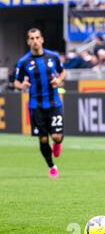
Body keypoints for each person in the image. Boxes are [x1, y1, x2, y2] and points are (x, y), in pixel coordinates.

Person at [14, 28, 66, 178]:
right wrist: (21, 86)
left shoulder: (53, 57)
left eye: (37, 37)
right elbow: (16, 82)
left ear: (42, 39)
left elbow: (63, 72)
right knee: (43, 139)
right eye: (32, 38)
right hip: (36, 105)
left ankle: (57, 143)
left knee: (56, 137)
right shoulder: (23, 62)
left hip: (54, 103)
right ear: (28, 41)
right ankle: (52, 167)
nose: (35, 41)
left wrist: (59, 80)